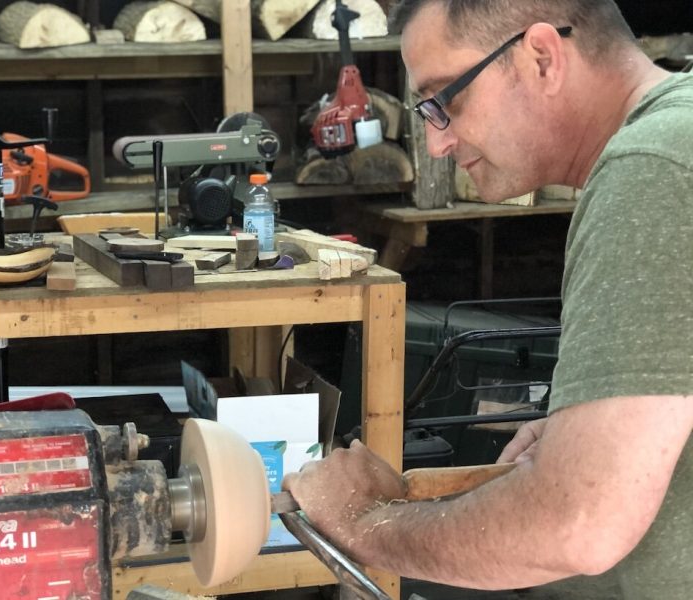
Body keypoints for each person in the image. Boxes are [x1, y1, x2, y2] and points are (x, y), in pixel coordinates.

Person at [283, 1, 692, 597]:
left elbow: (577, 525)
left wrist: (362, 523)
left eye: (446, 100)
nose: (436, 142)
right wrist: (586, 435)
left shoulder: (651, 171)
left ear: (543, 57)